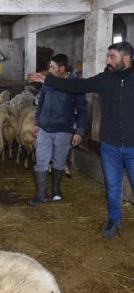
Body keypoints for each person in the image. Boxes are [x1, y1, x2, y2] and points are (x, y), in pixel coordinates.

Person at [29, 41, 134, 238]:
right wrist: (49, 80)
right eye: (107, 56)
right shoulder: (105, 79)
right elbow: (78, 85)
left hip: (132, 146)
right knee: (112, 185)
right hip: (110, 145)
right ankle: (114, 220)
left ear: (126, 58)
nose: (107, 60)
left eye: (112, 56)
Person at [28, 54, 87, 208]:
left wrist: (79, 131)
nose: (49, 70)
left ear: (62, 69)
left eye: (53, 67)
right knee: (41, 160)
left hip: (63, 129)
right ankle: (41, 194)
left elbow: (82, 109)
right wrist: (37, 123)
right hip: (45, 128)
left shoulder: (75, 85)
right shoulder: (48, 83)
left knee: (59, 161)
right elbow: (41, 103)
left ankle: (56, 191)